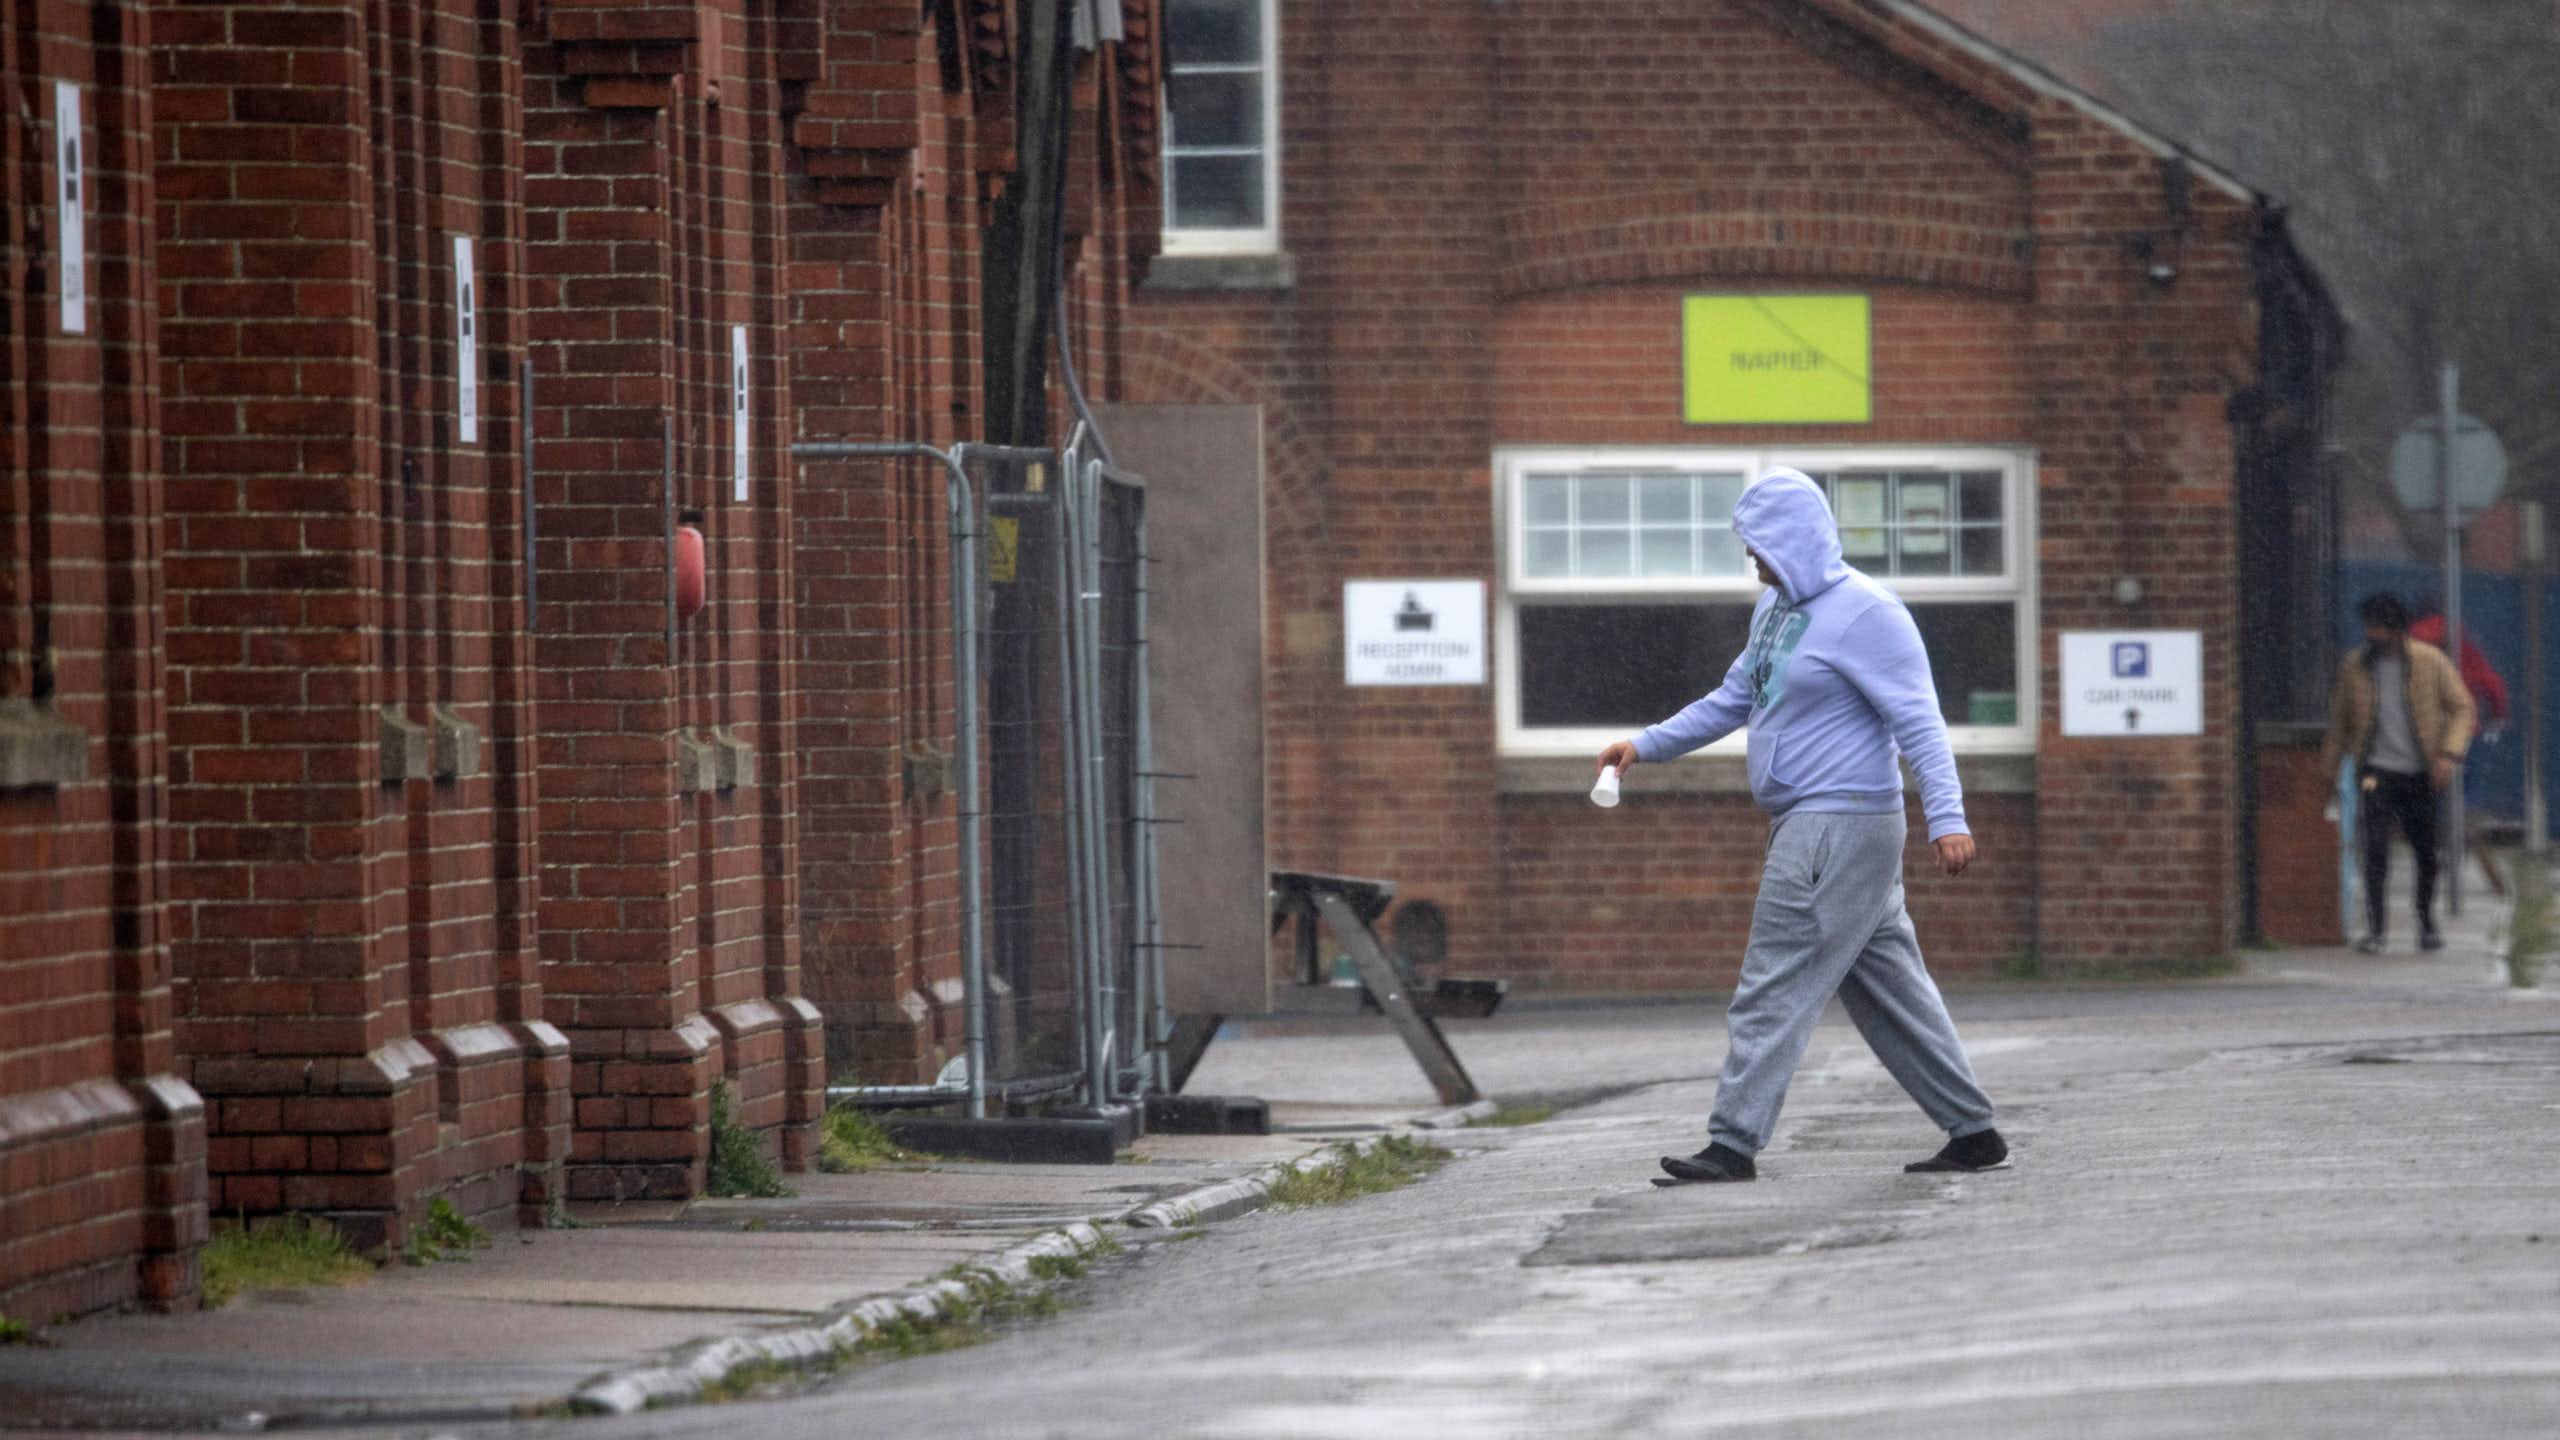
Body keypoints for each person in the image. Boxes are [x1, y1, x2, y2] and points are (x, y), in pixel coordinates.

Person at [1596, 468, 2004, 1184]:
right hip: (1820, 827)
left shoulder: (1868, 613)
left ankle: (1732, 1144)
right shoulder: (1776, 610)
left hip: (1835, 826)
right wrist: (1646, 745)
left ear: (1795, 539)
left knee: (1773, 982)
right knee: (1892, 992)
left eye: (1759, 544)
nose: (1751, 558)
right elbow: (1735, 698)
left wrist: (1948, 817)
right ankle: (1974, 1134)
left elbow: (1919, 721)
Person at [2320, 592, 2476, 953]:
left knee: (2426, 852)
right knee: (2375, 849)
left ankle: (2426, 922)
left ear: (2397, 630)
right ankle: (2377, 931)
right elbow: (2340, 723)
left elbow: (2462, 707)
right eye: (2368, 626)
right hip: (2376, 770)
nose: (2371, 634)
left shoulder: (2430, 662)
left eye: (2379, 627)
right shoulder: (2354, 667)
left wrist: (2449, 754)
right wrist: (2328, 772)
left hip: (2421, 771)